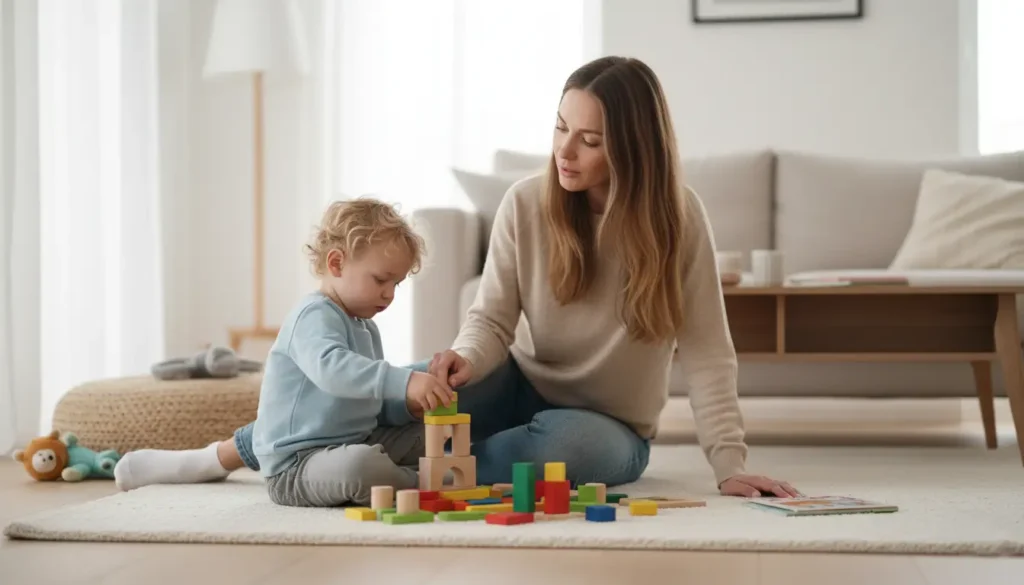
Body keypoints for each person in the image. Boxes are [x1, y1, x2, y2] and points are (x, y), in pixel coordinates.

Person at [114, 55, 799, 499]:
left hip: (610, 422)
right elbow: (493, 319)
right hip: (519, 380)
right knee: (409, 391)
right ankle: (224, 456)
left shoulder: (680, 219)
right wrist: (462, 361)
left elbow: (709, 350)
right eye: (561, 128)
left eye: (590, 140)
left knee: (564, 449)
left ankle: (401, 476)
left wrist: (728, 461)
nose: (565, 150)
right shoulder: (528, 203)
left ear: (634, 146)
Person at [117, 198, 455, 507]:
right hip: (297, 462)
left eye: (396, 284)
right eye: (381, 280)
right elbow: (335, 371)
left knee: (428, 437)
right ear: (336, 263)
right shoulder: (313, 316)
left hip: (355, 439)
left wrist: (423, 380)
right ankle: (420, 483)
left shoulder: (365, 327)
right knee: (360, 466)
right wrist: (404, 381)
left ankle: (419, 474)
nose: (389, 295)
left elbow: (372, 396)